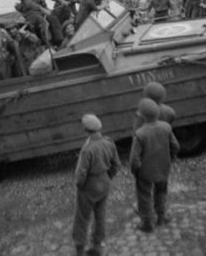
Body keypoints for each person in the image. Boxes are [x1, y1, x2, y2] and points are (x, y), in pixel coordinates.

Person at [72, 114, 120, 256]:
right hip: (104, 182)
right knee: (100, 215)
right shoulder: (109, 142)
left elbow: (81, 174)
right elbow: (116, 165)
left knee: (81, 217)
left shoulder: (87, 149)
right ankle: (97, 246)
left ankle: (79, 249)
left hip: (90, 185)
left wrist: (79, 185)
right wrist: (107, 177)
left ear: (85, 130)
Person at [129, 98, 180, 233]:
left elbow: (134, 159)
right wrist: (170, 160)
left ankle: (147, 223)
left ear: (142, 115)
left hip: (145, 172)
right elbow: (175, 146)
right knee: (161, 192)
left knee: (144, 196)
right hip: (163, 168)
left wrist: (135, 171)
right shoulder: (166, 127)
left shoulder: (140, 134)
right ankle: (161, 217)